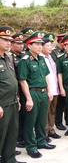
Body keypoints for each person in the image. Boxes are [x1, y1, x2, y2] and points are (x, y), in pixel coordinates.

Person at [18, 31, 56, 159]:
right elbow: (23, 81)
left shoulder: (41, 59)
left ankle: (41, 141)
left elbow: (45, 76)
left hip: (43, 92)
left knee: (41, 119)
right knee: (30, 121)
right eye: (37, 44)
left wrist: (49, 90)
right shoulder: (25, 60)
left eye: (41, 44)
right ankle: (31, 147)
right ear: (29, 45)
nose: (40, 46)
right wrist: (28, 98)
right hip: (32, 93)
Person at [0, 26, 23, 163]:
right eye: (5, 39)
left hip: (13, 102)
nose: (9, 42)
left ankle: (9, 159)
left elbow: (12, 79)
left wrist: (18, 99)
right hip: (2, 104)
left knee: (11, 134)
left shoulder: (8, 57)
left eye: (10, 40)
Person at [40, 35, 61, 142]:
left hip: (54, 88)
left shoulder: (50, 57)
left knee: (52, 111)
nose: (50, 47)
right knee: (45, 112)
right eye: (48, 45)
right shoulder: (40, 58)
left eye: (51, 45)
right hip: (47, 90)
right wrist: (48, 90)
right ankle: (45, 133)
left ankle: (51, 130)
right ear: (41, 46)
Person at [9, 32, 26, 149]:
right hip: (15, 90)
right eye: (18, 43)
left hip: (24, 89)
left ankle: (22, 136)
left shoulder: (23, 56)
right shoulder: (10, 57)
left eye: (22, 43)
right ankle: (17, 138)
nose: (21, 46)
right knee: (17, 117)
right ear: (12, 44)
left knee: (24, 115)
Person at [51, 33, 68, 131]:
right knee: (59, 105)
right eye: (63, 43)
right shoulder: (54, 52)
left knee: (67, 104)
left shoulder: (64, 51)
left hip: (66, 81)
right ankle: (58, 122)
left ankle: (67, 120)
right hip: (58, 81)